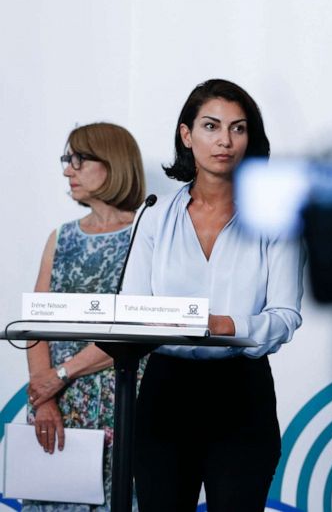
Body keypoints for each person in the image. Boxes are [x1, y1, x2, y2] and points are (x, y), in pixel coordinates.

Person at [120, 79, 304, 512]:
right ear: (187, 135)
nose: (225, 140)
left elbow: (286, 315)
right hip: (166, 390)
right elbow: (131, 307)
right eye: (211, 126)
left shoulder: (275, 219)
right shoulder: (153, 214)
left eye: (238, 129)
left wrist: (228, 325)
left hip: (241, 391)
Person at [24, 123, 147, 512]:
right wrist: (43, 396)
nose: (67, 170)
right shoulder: (60, 237)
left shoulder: (147, 236)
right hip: (58, 403)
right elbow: (34, 323)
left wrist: (60, 375)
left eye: (78, 160)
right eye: (67, 159)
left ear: (113, 163)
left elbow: (138, 330)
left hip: (125, 402)